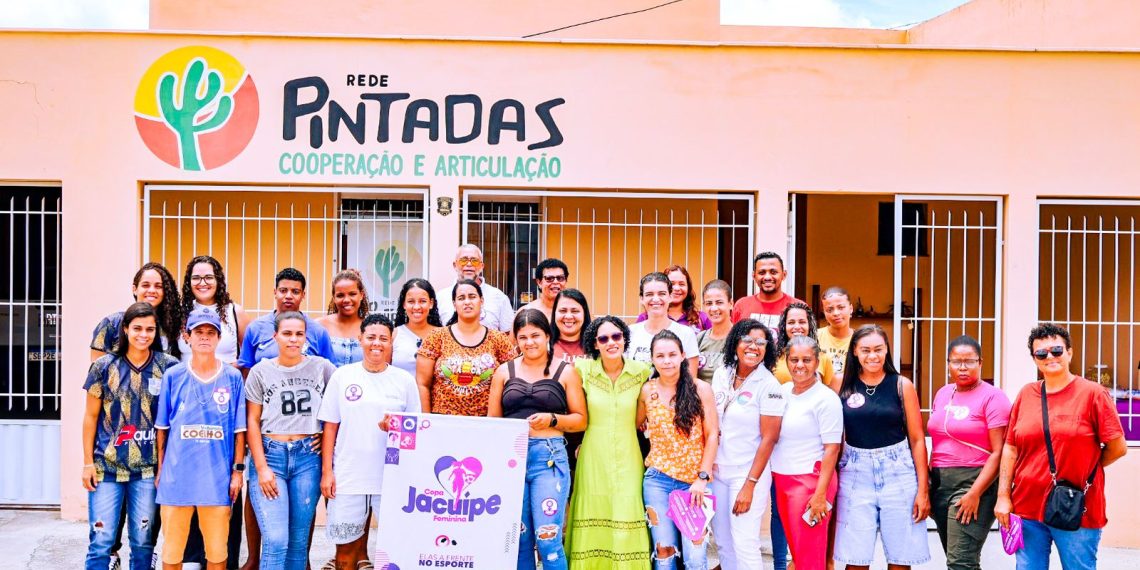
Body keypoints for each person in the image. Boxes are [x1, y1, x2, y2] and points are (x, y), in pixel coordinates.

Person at [995, 324, 1127, 570]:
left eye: (1056, 350)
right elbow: (1011, 448)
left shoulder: (1093, 394)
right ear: (1035, 360)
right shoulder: (1027, 394)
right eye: (1041, 354)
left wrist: (1088, 466)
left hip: (1076, 507)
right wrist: (1003, 496)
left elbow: (1117, 447)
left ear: (1070, 353)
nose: (1050, 357)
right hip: (1027, 507)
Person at [82, 302, 180, 570]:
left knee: (143, 543)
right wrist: (88, 463)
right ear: (125, 329)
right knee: (100, 543)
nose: (143, 334)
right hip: (106, 470)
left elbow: (175, 419)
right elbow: (91, 417)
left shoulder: (169, 367)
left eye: (150, 329)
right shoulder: (103, 366)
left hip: (148, 472)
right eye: (137, 328)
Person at [318, 314, 421, 569]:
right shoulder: (343, 376)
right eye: (371, 337)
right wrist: (327, 472)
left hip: (391, 478)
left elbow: (415, 432)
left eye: (383, 338)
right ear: (360, 339)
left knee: (394, 553)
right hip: (349, 477)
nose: (377, 343)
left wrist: (395, 427)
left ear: (392, 341)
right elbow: (330, 427)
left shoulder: (404, 381)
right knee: (344, 554)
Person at [488, 309, 587, 570]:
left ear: (547, 336)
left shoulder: (565, 372)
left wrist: (553, 419)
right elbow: (492, 423)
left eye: (535, 335)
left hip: (549, 458)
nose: (529, 342)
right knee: (519, 538)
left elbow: (581, 419)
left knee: (548, 537)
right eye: (523, 337)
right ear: (515, 340)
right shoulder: (503, 372)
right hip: (512, 460)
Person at [155, 308, 247, 570]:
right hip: (177, 477)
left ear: (218, 338)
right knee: (172, 554)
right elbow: (162, 427)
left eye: (210, 332)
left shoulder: (231, 378)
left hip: (216, 479)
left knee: (217, 554)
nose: (204, 337)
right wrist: (162, 469)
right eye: (199, 332)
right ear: (187, 337)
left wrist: (237, 472)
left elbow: (239, 430)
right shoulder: (173, 376)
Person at [833, 325, 930, 569]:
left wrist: (922, 489)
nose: (872, 356)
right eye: (865, 350)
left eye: (878, 349)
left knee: (900, 559)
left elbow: (917, 439)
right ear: (855, 351)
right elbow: (832, 437)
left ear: (887, 350)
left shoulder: (902, 385)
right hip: (855, 472)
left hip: (898, 472)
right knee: (855, 559)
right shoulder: (841, 384)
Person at [245, 312, 336, 569]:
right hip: (271, 454)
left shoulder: (322, 367)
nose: (293, 339)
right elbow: (252, 420)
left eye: (299, 334)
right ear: (275, 336)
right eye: (287, 333)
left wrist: (325, 434)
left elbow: (338, 410)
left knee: (298, 542)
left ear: (306, 337)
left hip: (308, 456)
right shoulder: (260, 371)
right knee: (275, 539)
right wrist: (261, 468)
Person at [565, 316, 653, 570]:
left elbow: (641, 416)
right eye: (603, 338)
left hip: (629, 452)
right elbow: (577, 411)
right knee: (594, 504)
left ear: (624, 338)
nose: (611, 342)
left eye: (616, 336)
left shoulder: (641, 372)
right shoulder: (582, 370)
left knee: (628, 506)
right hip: (593, 452)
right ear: (595, 344)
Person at [637, 330, 719, 570]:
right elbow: (635, 424)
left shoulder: (700, 389)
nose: (667, 360)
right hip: (657, 481)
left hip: (694, 484)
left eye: (672, 354)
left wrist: (702, 478)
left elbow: (712, 434)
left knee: (695, 557)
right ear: (652, 359)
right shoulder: (647, 391)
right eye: (660, 355)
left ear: (683, 355)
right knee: (664, 553)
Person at [927, 335, 1009, 570]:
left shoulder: (993, 397)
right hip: (941, 483)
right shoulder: (943, 393)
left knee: (961, 561)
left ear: (981, 362)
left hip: (975, 482)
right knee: (958, 560)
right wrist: (931, 486)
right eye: (956, 361)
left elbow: (999, 451)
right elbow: (938, 440)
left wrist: (975, 493)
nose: (962, 367)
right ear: (948, 363)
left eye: (969, 361)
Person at [709, 319, 783, 570]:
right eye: (747, 340)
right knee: (723, 543)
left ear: (767, 348)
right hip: (718, 472)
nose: (754, 346)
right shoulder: (722, 374)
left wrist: (749, 485)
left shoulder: (769, 385)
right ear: (735, 343)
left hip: (748, 474)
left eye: (761, 342)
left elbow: (769, 438)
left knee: (745, 543)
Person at [771, 336, 843, 570]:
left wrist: (820, 494)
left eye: (806, 359)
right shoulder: (782, 391)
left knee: (810, 557)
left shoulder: (826, 398)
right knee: (798, 553)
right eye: (794, 359)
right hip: (782, 479)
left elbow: (832, 448)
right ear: (786, 361)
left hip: (810, 483)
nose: (799, 365)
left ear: (817, 361)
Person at [415, 279, 516, 416]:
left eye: (472, 297)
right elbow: (422, 384)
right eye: (461, 298)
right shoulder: (436, 337)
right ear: (454, 304)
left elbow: (514, 379)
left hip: (486, 423)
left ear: (481, 301)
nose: (467, 302)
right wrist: (427, 421)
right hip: (443, 423)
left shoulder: (498, 339)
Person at [238, 267, 335, 371]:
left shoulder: (318, 332)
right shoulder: (255, 328)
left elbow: (329, 372)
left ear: (303, 295)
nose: (288, 296)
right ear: (275, 292)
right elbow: (246, 370)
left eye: (295, 291)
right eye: (283, 291)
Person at [91, 262, 183, 361]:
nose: (152, 290)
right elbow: (97, 369)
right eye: (145, 285)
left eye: (158, 286)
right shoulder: (111, 323)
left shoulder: (172, 325)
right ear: (135, 289)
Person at [177, 255, 250, 365]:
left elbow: (249, 356)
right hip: (185, 380)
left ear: (218, 280)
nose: (202, 283)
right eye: (196, 278)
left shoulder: (235, 312)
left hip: (225, 380)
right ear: (189, 282)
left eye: (209, 277)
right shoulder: (179, 312)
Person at [627, 273, 699, 378]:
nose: (656, 299)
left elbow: (691, 380)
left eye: (661, 294)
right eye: (649, 294)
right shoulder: (630, 332)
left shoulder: (686, 333)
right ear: (641, 298)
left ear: (670, 296)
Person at [435, 244, 515, 332]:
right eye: (463, 260)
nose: (469, 264)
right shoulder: (440, 297)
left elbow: (509, 334)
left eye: (474, 261)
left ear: (481, 266)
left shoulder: (499, 297)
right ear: (455, 265)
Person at [730, 252, 802, 340]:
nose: (767, 277)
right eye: (762, 272)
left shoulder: (798, 307)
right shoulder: (741, 305)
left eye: (773, 272)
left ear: (784, 275)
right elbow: (734, 341)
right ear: (754, 275)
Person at [772, 302, 836, 386]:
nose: (797, 327)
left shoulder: (823, 358)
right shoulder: (774, 357)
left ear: (809, 325)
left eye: (802, 322)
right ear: (784, 326)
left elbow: (830, 395)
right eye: (791, 322)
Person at [316, 269, 371, 367]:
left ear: (361, 295)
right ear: (334, 298)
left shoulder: (370, 328)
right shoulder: (319, 326)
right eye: (340, 295)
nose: (346, 300)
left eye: (352, 294)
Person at [637, 265, 712, 332]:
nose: (677, 288)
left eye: (681, 284)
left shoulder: (702, 318)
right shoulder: (645, 317)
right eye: (672, 284)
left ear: (688, 288)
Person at [392, 278, 442, 377]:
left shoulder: (443, 335)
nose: (416, 307)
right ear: (404, 304)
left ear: (431, 303)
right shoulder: (393, 335)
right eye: (411, 301)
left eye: (422, 301)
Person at [695, 280, 733, 382]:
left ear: (731, 304)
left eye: (719, 302)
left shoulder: (740, 338)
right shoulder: (699, 339)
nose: (714, 308)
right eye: (709, 303)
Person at [816, 286, 853, 380]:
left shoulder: (860, 339)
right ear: (824, 312)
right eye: (829, 309)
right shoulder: (815, 337)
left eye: (841, 307)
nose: (836, 313)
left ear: (851, 308)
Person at [551, 288, 591, 363]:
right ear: (554, 313)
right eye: (563, 311)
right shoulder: (543, 346)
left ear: (584, 314)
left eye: (575, 311)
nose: (568, 316)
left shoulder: (598, 345)